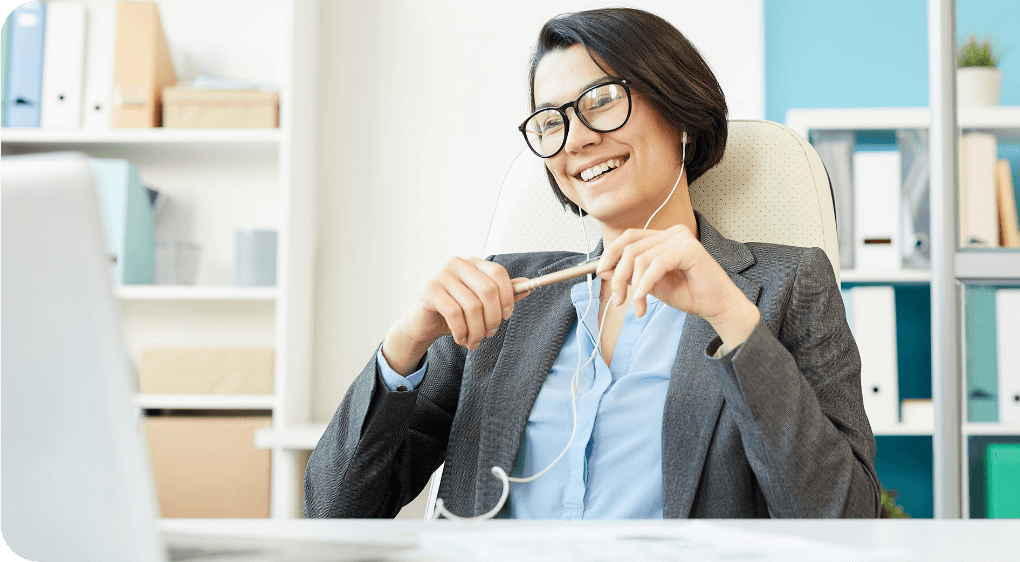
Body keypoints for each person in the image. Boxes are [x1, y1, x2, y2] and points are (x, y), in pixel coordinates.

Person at [304, 7, 880, 519]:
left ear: (678, 108)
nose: (574, 139)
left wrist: (731, 318)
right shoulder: (500, 299)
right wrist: (403, 348)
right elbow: (332, 511)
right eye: (551, 121)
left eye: (602, 100)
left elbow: (845, 519)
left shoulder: (786, 286)